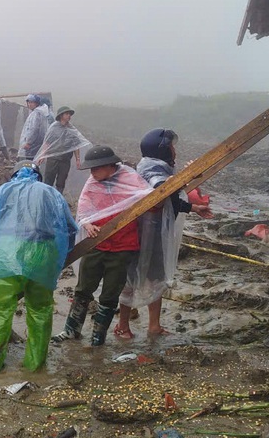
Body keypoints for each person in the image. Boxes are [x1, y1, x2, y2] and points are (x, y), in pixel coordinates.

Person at [0, 160, 77, 372]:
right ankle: (35, 365)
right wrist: (58, 259)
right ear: (38, 176)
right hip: (43, 252)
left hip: (6, 252)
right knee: (40, 310)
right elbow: (69, 228)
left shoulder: (2, 191)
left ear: (14, 176)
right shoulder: (51, 193)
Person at [115, 128, 212, 338]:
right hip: (142, 233)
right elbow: (161, 190)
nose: (174, 151)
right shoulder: (151, 169)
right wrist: (187, 177)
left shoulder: (159, 167)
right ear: (162, 150)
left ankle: (154, 326)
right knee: (131, 279)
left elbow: (171, 201)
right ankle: (123, 325)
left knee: (156, 278)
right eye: (171, 147)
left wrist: (193, 208)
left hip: (155, 233)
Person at [52, 146, 151, 346]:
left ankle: (98, 336)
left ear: (108, 166)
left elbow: (151, 200)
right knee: (83, 289)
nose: (92, 173)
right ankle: (71, 330)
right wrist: (87, 224)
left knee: (110, 294)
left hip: (123, 246)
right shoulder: (93, 182)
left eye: (95, 169)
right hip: (97, 243)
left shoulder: (131, 180)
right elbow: (85, 209)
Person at [34, 106, 90, 194]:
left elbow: (76, 145)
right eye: (67, 114)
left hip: (65, 160)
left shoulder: (71, 129)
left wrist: (78, 160)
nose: (69, 116)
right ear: (61, 115)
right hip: (53, 158)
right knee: (49, 180)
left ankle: (58, 198)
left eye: (70, 114)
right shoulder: (53, 128)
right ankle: (47, 197)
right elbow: (47, 143)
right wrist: (42, 155)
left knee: (61, 181)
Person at [17, 94, 49, 160]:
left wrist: (28, 142)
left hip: (32, 145)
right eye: (28, 102)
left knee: (30, 163)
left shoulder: (36, 113)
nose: (29, 104)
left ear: (36, 103)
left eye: (31, 102)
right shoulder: (40, 112)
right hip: (37, 144)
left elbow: (33, 129)